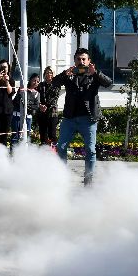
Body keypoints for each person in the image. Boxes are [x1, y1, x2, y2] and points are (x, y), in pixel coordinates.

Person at [51, 48, 113, 185]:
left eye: (84, 59)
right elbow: (53, 83)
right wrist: (64, 74)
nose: (81, 61)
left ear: (89, 61)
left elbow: (109, 83)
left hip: (88, 119)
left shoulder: (94, 75)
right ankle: (62, 176)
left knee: (90, 150)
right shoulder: (69, 75)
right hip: (70, 118)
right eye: (78, 59)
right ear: (74, 60)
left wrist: (95, 73)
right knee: (61, 146)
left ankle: (88, 179)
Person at [35, 66, 61, 145]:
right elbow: (36, 97)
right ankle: (43, 153)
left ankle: (53, 153)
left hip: (52, 112)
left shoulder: (56, 85)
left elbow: (54, 98)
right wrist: (40, 105)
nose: (49, 74)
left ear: (53, 74)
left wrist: (45, 105)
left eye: (50, 72)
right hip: (42, 113)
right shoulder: (40, 85)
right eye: (47, 72)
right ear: (44, 74)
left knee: (52, 134)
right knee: (43, 135)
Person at [13, 74, 40, 145]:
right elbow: (16, 101)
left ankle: (24, 152)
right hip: (17, 116)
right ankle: (13, 153)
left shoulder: (37, 93)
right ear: (30, 80)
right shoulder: (22, 89)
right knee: (15, 135)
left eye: (37, 81)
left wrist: (27, 106)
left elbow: (36, 106)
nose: (36, 83)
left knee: (26, 136)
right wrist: (28, 105)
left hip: (28, 117)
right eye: (34, 80)